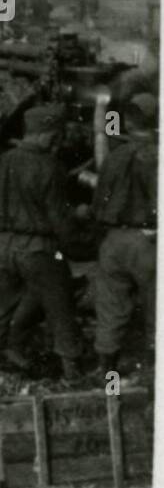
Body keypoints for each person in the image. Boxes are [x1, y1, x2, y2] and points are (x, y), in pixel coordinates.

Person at [0, 104, 82, 380]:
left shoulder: (0, 161)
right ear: (49, 135)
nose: (59, 141)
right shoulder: (50, 167)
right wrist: (81, 246)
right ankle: (72, 371)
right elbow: (60, 220)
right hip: (38, 249)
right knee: (61, 304)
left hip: (1, 247)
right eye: (57, 135)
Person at [91, 93, 158, 379]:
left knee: (111, 308)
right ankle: (154, 373)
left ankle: (107, 373)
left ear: (128, 121)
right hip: (148, 242)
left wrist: (101, 105)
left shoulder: (115, 156)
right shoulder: (156, 155)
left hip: (113, 242)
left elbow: (101, 148)